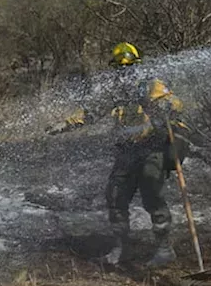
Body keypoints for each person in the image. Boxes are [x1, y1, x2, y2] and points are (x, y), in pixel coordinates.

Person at [50, 42, 189, 268]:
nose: (125, 72)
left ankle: (164, 249)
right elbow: (90, 113)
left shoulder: (151, 85)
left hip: (151, 148)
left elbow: (176, 104)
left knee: (152, 194)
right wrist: (64, 125)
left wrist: (163, 107)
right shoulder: (116, 91)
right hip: (127, 150)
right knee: (115, 196)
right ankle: (119, 248)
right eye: (120, 69)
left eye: (129, 67)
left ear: (137, 66)